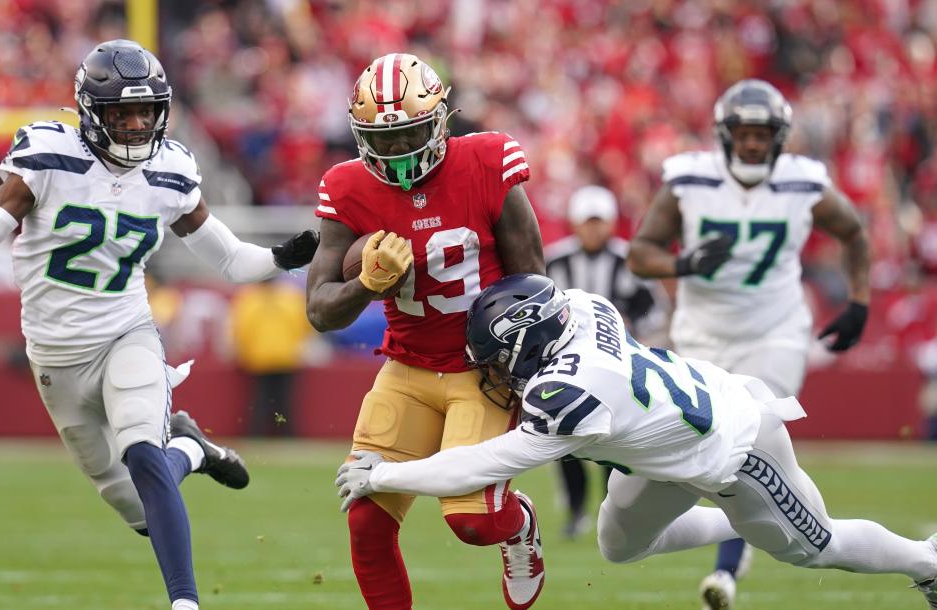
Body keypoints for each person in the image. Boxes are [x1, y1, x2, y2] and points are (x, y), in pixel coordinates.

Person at [336, 274, 937, 609]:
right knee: (620, 545)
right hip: (661, 443)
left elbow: (480, 465)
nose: (492, 375)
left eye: (497, 362)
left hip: (738, 445)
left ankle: (926, 561)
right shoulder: (579, 306)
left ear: (529, 348)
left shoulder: (570, 396)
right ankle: (742, 524)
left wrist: (383, 476)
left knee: (814, 545)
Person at [0, 40, 318, 610]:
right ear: (91, 112)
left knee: (140, 449)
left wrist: (283, 257)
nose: (136, 125)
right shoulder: (47, 157)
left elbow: (231, 258)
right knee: (137, 510)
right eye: (121, 113)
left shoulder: (169, 171)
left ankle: (184, 603)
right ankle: (192, 449)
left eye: (146, 112)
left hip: (125, 332)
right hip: (55, 357)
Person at [306, 53, 547, 610]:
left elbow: (534, 281)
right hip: (408, 369)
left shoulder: (488, 159)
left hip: (481, 372)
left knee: (472, 524)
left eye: (409, 134)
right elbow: (320, 311)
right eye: (381, 140)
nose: (396, 152)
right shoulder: (346, 187)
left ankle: (519, 525)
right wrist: (367, 284)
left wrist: (518, 364)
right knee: (365, 519)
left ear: (439, 120)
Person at [626, 79, 871, 609]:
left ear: (779, 137)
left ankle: (728, 571)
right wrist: (683, 264)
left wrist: (859, 301)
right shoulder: (689, 179)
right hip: (700, 337)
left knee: (743, 446)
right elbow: (641, 251)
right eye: (744, 132)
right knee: (696, 453)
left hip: (774, 333)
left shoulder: (803, 183)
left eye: (763, 134)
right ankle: (747, 537)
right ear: (725, 134)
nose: (754, 144)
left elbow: (853, 230)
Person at [545, 184, 667, 538]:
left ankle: (609, 512)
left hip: (621, 367)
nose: (594, 229)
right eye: (588, 222)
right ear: (576, 223)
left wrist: (635, 333)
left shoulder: (628, 260)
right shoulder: (554, 260)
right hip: (567, 366)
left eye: (600, 222)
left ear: (612, 223)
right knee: (564, 442)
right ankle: (575, 510)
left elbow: (654, 313)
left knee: (614, 443)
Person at [230, 278, 316, 436]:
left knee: (260, 398)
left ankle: (256, 433)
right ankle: (285, 433)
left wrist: (243, 349)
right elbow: (304, 325)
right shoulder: (290, 297)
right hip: (286, 355)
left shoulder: (248, 298)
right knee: (284, 398)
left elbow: (242, 328)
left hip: (258, 355)